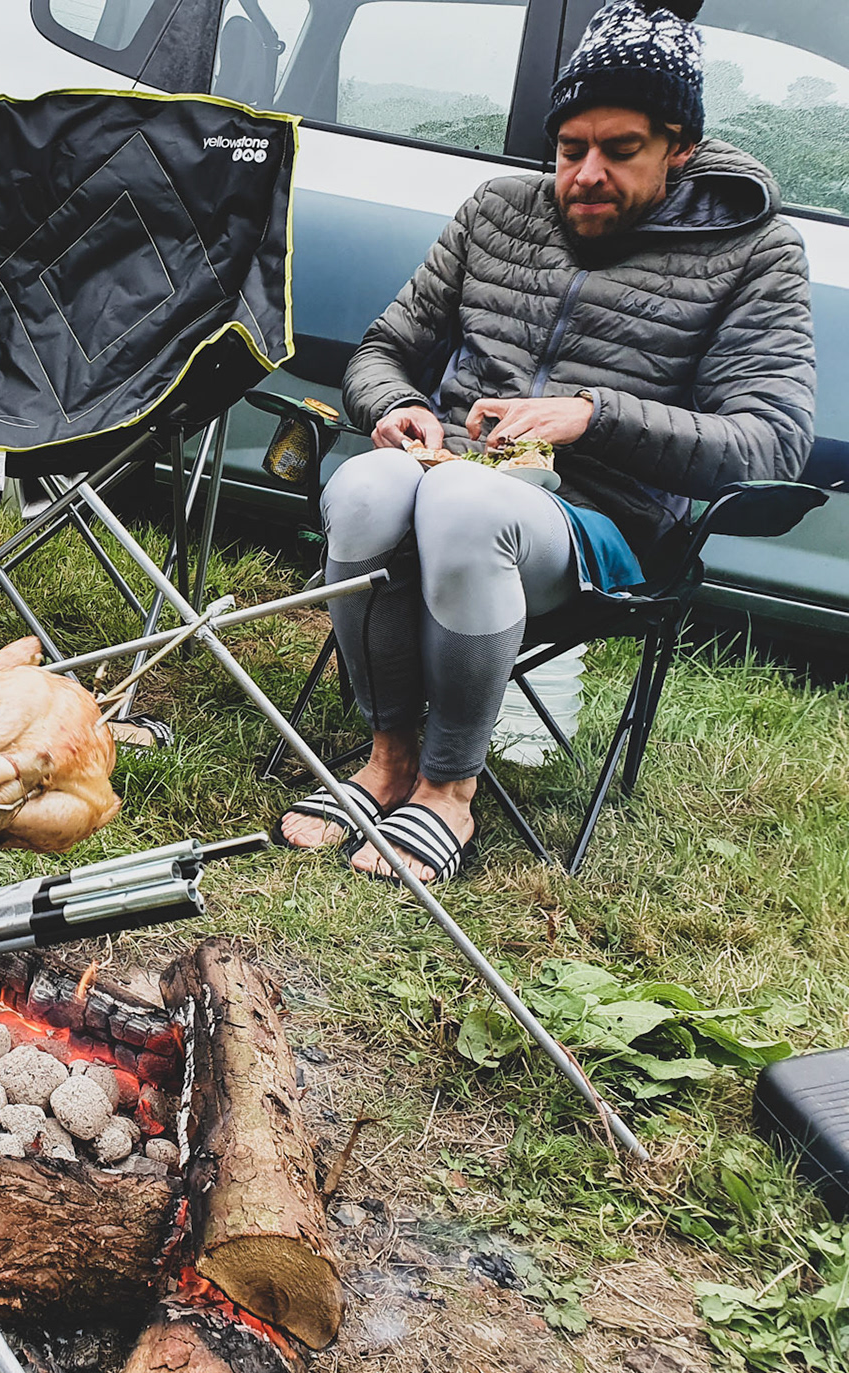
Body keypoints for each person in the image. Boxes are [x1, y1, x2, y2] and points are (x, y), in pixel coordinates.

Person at [277, 0, 816, 883]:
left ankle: (451, 791)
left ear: (679, 148)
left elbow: (772, 441)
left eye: (620, 150)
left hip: (604, 525)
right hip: (450, 475)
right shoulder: (497, 211)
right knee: (373, 486)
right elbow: (384, 351)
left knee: (459, 500)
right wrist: (398, 406)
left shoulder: (754, 251)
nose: (586, 175)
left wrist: (596, 414)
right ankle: (388, 761)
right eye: (571, 150)